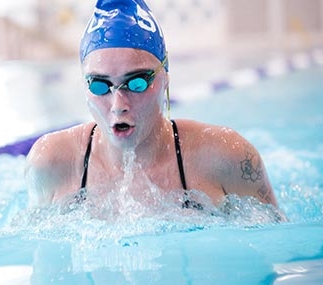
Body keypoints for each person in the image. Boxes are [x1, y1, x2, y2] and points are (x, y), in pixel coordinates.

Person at [25, 0, 280, 212]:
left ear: (165, 76)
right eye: (99, 85)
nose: (118, 105)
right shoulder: (52, 164)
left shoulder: (227, 157)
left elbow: (278, 243)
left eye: (136, 83)